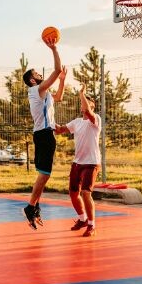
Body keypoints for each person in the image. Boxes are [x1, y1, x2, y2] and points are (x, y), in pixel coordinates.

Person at [21, 38, 66, 230]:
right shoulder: (35, 90)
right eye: (38, 73)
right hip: (44, 135)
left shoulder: (43, 93)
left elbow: (59, 97)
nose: (40, 75)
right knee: (45, 174)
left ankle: (35, 205)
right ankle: (30, 206)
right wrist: (54, 49)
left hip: (44, 133)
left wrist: (62, 81)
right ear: (33, 80)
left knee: (43, 174)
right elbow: (55, 71)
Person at [55, 83, 101, 237]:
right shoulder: (76, 122)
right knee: (73, 193)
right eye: (83, 100)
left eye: (87, 101)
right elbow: (60, 130)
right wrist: (46, 122)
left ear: (92, 104)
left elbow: (87, 110)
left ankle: (91, 225)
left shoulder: (95, 120)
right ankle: (82, 219)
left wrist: (81, 93)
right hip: (77, 163)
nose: (84, 103)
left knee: (86, 193)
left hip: (91, 163)